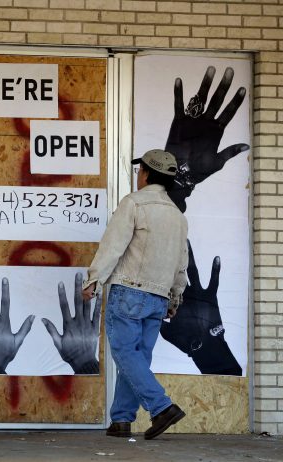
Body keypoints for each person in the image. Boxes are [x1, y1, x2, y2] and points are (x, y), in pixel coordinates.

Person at [82, 149, 189, 440]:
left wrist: (94, 279)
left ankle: (162, 407)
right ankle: (121, 420)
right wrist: (175, 298)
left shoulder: (133, 203)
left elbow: (112, 246)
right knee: (137, 357)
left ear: (145, 173)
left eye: (139, 171)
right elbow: (182, 265)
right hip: (159, 297)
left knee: (125, 353)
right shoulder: (178, 217)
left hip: (129, 291)